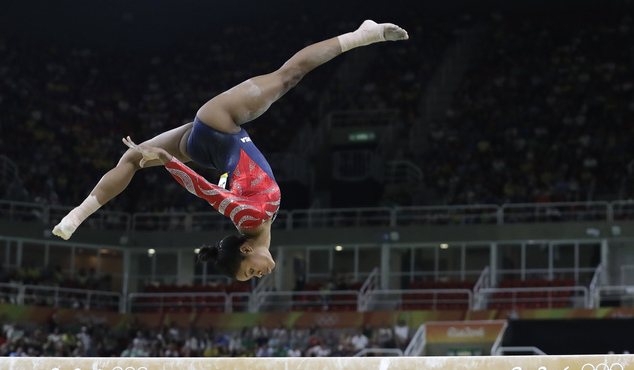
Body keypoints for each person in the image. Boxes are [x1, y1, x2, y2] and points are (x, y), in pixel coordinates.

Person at [52, 20, 409, 281]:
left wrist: (169, 162)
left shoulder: (249, 221)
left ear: (245, 250)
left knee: (289, 75)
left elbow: (207, 192)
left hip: (218, 123)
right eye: (252, 278)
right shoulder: (260, 224)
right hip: (206, 148)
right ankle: (76, 217)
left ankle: (364, 34)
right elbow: (221, 186)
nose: (257, 275)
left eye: (249, 271)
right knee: (132, 158)